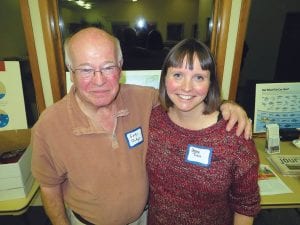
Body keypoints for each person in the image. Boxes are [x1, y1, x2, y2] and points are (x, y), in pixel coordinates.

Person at [31, 27, 252, 225]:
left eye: (108, 67)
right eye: (86, 70)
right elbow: (49, 188)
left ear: (120, 67)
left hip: (145, 219)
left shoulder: (145, 101)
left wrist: (227, 105)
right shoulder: (49, 125)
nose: (98, 81)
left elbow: (185, 97)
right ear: (71, 71)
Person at [146, 38, 260, 225]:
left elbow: (246, 205)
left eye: (199, 77)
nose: (186, 87)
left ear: (210, 83)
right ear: (164, 77)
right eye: (177, 75)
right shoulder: (152, 119)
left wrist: (229, 104)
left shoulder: (234, 136)